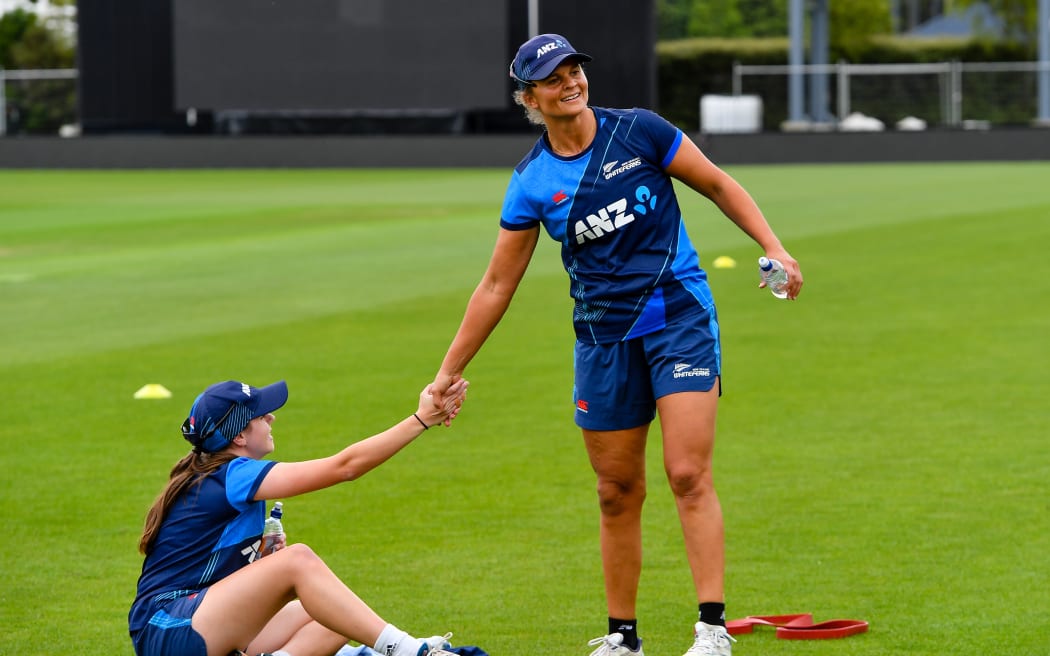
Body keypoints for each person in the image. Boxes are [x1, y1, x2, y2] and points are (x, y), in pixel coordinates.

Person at [429, 34, 803, 656]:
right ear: (529, 98)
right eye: (553, 77)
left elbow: (715, 183)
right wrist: (447, 372)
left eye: (574, 69)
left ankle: (711, 630)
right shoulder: (531, 182)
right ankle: (622, 637)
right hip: (602, 337)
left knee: (687, 473)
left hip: (678, 315)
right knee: (614, 491)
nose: (570, 82)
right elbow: (497, 284)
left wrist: (774, 246)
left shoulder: (640, 131)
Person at [129, 377, 469, 656]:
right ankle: (413, 652)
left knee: (332, 614)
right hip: (167, 629)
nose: (272, 418)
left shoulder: (221, 475)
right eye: (262, 415)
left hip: (188, 627)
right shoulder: (234, 475)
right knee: (298, 561)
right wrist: (421, 419)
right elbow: (345, 467)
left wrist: (255, 561)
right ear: (239, 436)